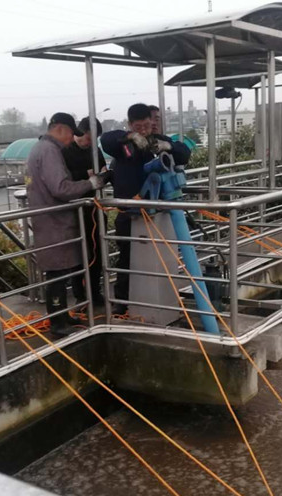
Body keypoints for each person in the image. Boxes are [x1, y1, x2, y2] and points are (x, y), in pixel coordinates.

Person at [101, 103, 191, 313]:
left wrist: (168, 147)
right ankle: (123, 302)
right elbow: (106, 140)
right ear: (130, 124)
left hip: (157, 213)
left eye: (147, 126)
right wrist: (130, 137)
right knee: (127, 257)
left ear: (152, 122)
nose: (143, 130)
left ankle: (158, 301)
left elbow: (184, 153)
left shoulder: (158, 142)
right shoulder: (123, 144)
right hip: (129, 212)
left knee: (159, 259)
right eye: (138, 127)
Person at [27, 112, 106, 337]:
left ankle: (61, 315)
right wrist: (89, 183)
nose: (72, 139)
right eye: (71, 133)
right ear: (60, 128)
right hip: (54, 221)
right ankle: (58, 323)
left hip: (48, 219)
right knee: (57, 274)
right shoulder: (50, 151)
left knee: (60, 272)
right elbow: (60, 188)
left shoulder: (40, 148)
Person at [62, 116, 107, 305]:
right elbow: (63, 180)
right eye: (88, 138)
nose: (90, 143)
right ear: (80, 133)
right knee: (78, 254)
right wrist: (86, 175)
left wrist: (103, 174)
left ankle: (95, 292)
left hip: (93, 207)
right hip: (74, 209)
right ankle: (80, 296)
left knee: (97, 252)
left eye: (94, 139)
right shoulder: (65, 151)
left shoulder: (95, 150)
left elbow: (104, 170)